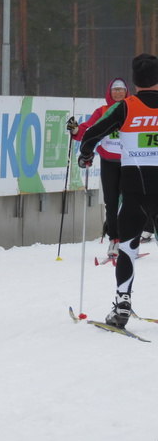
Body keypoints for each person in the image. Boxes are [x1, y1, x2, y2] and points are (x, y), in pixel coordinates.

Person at [77, 53, 158, 328]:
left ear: (134, 82)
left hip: (135, 188)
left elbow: (91, 134)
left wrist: (86, 155)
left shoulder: (126, 107)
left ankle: (122, 304)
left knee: (127, 247)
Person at [67, 78, 129, 259]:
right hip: (109, 161)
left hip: (129, 161)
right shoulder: (102, 111)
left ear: (126, 92)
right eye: (115, 90)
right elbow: (88, 131)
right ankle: (114, 240)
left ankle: (128, 240)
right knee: (111, 201)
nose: (118, 92)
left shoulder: (131, 109)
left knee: (129, 202)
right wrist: (75, 130)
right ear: (109, 92)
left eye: (121, 89)